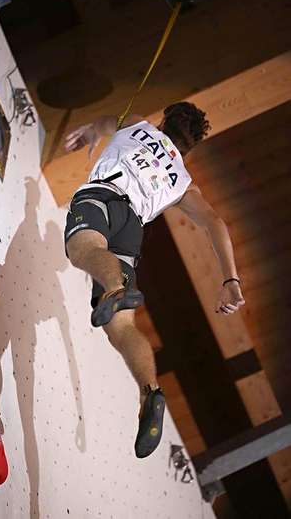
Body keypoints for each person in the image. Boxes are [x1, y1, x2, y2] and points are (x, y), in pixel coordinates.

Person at [63, 102, 245, 459]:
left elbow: (104, 122)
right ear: (188, 149)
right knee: (122, 328)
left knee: (82, 248)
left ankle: (116, 290)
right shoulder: (184, 183)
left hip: (104, 196)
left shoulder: (136, 124)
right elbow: (215, 224)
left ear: (164, 121)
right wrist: (230, 278)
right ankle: (150, 391)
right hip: (133, 228)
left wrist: (89, 131)